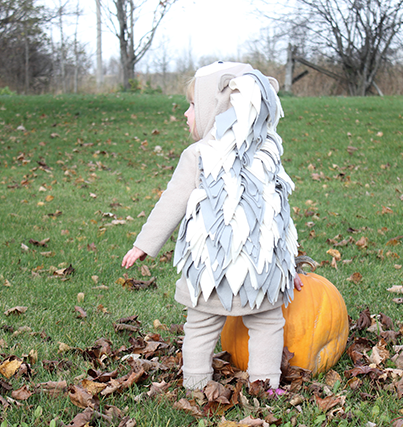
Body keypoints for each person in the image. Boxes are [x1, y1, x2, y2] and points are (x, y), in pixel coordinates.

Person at [122, 61, 302, 391]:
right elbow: (279, 216)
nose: (186, 114)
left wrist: (143, 244)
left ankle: (195, 384)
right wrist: (284, 267)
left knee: (201, 325)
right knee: (267, 323)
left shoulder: (199, 154)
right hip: (259, 271)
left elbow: (173, 200)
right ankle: (265, 384)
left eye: (192, 105)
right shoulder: (267, 154)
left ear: (215, 107)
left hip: (211, 267)